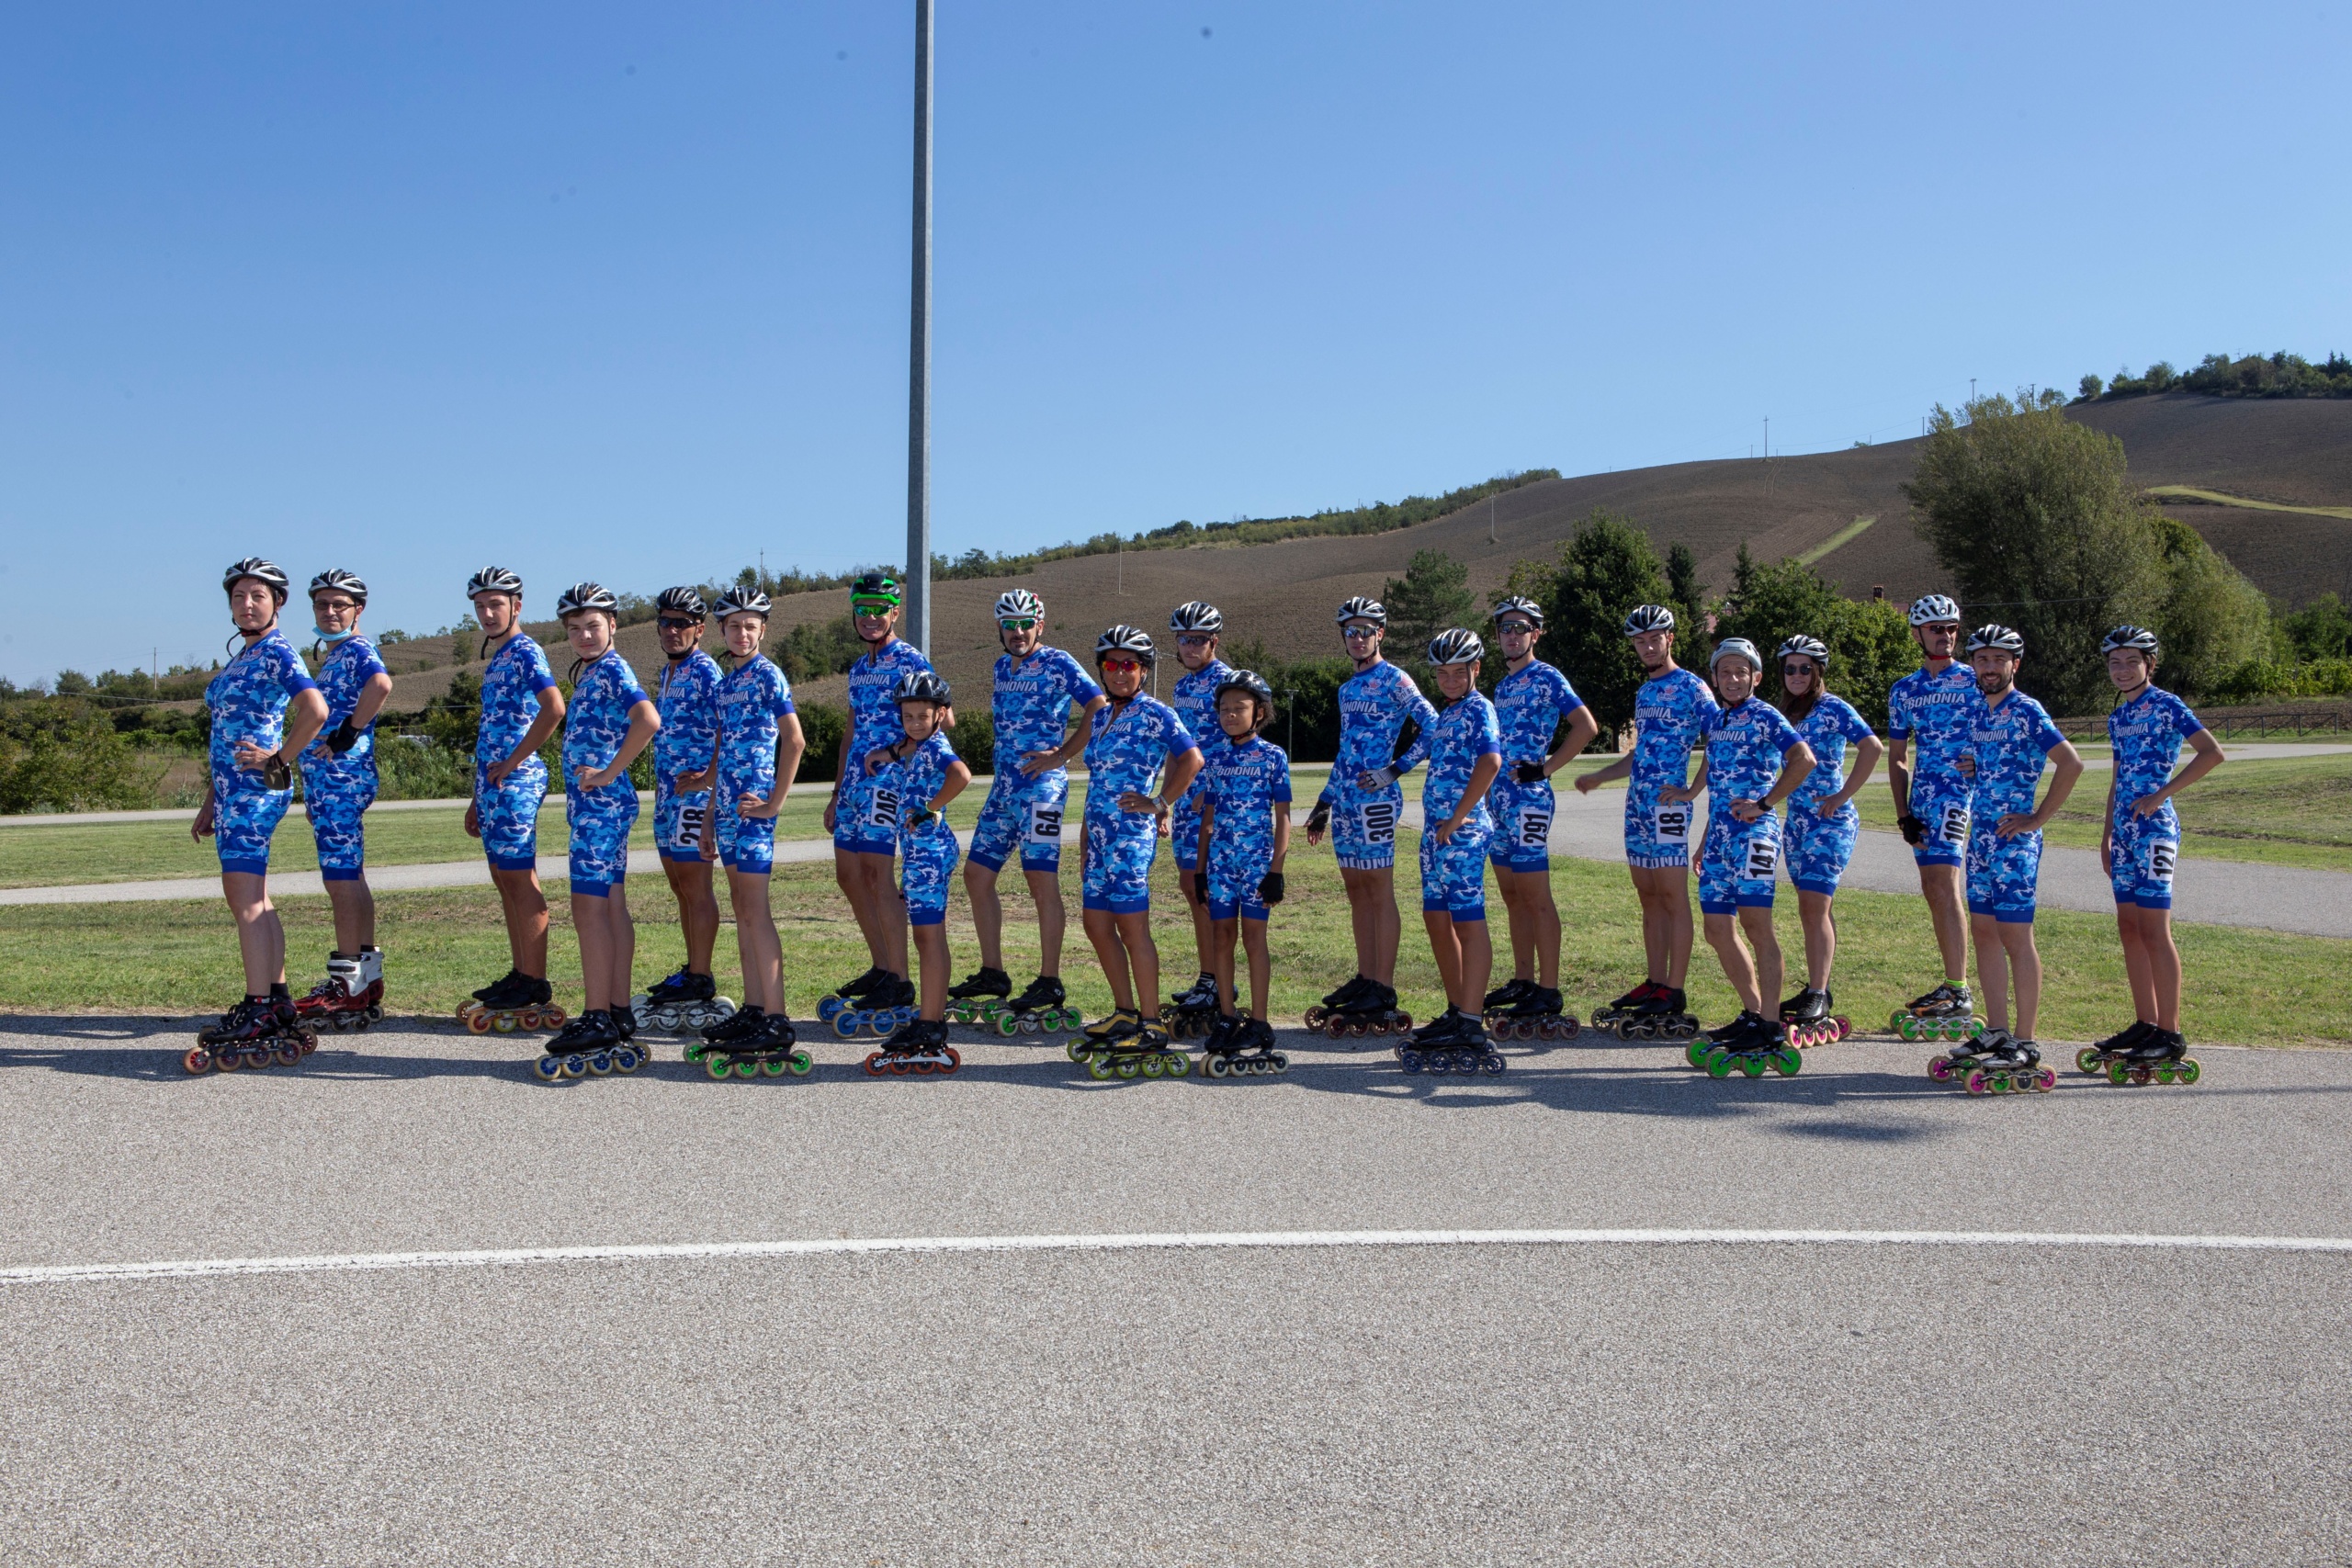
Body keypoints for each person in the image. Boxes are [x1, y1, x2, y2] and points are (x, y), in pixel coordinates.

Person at [188, 558, 329, 1068]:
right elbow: (224, 737)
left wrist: (279, 759)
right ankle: (277, 998)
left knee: (244, 898)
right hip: (232, 792)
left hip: (255, 789)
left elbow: (316, 710)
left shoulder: (276, 652)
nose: (247, 604)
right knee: (258, 899)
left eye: (258, 596)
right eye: (239, 596)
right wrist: (211, 802)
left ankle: (257, 1008)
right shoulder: (244, 656)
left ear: (278, 602)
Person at [1931, 625, 2084, 1086]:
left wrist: (2037, 819)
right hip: (1980, 838)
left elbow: (2071, 763)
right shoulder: (1978, 712)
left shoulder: (2026, 710)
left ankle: (2025, 1040)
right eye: (1982, 660)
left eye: (1999, 660)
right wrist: (1977, 769)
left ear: (2015, 665)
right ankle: (1996, 1032)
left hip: (2015, 843)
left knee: (2017, 938)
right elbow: (1990, 766)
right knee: (1984, 931)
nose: (1990, 667)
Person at [951, 587, 1103, 1031]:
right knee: (976, 875)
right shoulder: (1001, 665)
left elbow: (1098, 705)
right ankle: (994, 973)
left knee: (1041, 882)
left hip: (1043, 790)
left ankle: (1049, 979)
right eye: (1009, 625)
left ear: (1040, 624)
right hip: (1003, 790)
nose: (1018, 632)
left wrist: (1064, 754)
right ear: (999, 627)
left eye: (1025, 624)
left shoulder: (1058, 661)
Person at [2086, 624, 2225, 1082]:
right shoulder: (2117, 716)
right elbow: (2117, 777)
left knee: (2154, 929)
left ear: (2150, 663)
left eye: (2131, 661)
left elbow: (2211, 753)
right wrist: (2107, 833)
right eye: (2114, 662)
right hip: (2124, 834)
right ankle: (2146, 1024)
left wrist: (2162, 794)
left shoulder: (2166, 704)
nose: (2122, 670)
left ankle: (2171, 1032)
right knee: (2129, 927)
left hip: (2156, 832)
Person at [1670, 638, 1815, 1072]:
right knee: (1716, 929)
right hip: (1718, 841)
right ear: (1714, 678)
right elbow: (1716, 773)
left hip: (1756, 837)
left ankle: (1771, 1025)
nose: (1732, 679)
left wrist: (1766, 804)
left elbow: (1802, 759)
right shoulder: (1715, 722)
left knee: (1757, 927)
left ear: (1756, 677)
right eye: (1724, 672)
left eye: (1741, 672)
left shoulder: (1766, 715)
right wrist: (1703, 837)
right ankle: (1754, 1013)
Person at [535, 583, 661, 1078]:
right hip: (603, 809)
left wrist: (608, 772)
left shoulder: (610, 670)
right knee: (609, 907)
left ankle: (596, 1017)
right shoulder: (595, 672)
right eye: (574, 628)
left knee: (589, 911)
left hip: (600, 809)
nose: (584, 635)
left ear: (613, 626)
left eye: (593, 625)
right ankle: (615, 1008)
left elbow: (648, 720)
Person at [1574, 604, 1715, 1038]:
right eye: (1639, 641)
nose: (1647, 646)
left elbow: (1721, 740)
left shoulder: (1694, 688)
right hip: (1637, 805)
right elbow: (1641, 754)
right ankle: (1655, 982)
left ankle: (1675, 988)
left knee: (1673, 895)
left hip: (1670, 807)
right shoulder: (1644, 693)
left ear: (1670, 639)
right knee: (1648, 894)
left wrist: (1693, 791)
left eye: (1654, 638)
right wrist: (1600, 776)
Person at [1301, 596, 1436, 1034]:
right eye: (1351, 632)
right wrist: (1324, 801)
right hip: (1345, 802)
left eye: (1366, 631)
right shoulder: (1346, 689)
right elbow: (1344, 751)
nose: (1358, 639)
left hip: (1377, 802)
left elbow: (1433, 726)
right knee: (1357, 890)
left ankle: (1385, 985)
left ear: (1381, 633)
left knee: (1379, 889)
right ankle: (1366, 977)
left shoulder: (1395, 679)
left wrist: (1394, 770)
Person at [1075, 625, 1203, 1077]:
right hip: (1099, 835)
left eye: (1129, 664)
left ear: (1144, 670)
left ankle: (1151, 1023)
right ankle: (1124, 1011)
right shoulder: (1098, 715)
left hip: (1130, 835)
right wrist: (1087, 833)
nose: (1120, 672)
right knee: (1095, 923)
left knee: (1131, 928)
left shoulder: (1156, 713)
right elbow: (1097, 779)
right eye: (1111, 664)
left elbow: (1191, 758)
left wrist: (1161, 802)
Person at [688, 588, 808, 1070]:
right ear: (722, 631)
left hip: (756, 812)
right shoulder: (723, 685)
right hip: (728, 815)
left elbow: (794, 739)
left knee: (756, 912)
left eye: (750, 625)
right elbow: (723, 752)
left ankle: (776, 1017)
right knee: (741, 909)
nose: (742, 633)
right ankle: (754, 1007)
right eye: (734, 626)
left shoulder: (767, 674)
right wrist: (709, 821)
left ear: (763, 630)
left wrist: (775, 802)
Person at [1481, 596, 1599, 1035]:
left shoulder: (1546, 676)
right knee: (1512, 897)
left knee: (1536, 896)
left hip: (1529, 799)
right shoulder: (1503, 685)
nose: (1513, 635)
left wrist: (1546, 768)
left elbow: (1586, 726)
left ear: (1536, 633)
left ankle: (1548, 989)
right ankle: (1524, 979)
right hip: (1498, 802)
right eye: (1505, 628)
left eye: (1521, 628)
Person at [460, 566, 567, 1032]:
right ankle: (521, 971)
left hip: (516, 784)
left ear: (516, 606)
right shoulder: (499, 657)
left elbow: (554, 707)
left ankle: (535, 981)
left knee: (521, 880)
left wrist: (516, 760)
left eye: (495, 604)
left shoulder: (526, 651)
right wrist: (475, 796)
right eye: (480, 606)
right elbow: (491, 731)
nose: (487, 613)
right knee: (504, 879)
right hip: (493, 788)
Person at [822, 572, 933, 1019]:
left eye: (879, 610)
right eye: (862, 609)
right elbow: (850, 731)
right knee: (849, 876)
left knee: (878, 877)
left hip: (889, 783)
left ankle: (900, 981)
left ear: (894, 612)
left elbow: (940, 718)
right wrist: (834, 793)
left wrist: (896, 751)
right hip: (852, 785)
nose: (870, 618)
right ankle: (882, 966)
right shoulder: (859, 667)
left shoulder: (909, 659)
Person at [290, 569, 393, 1034]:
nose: (329, 613)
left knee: (340, 879)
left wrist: (349, 732)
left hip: (340, 780)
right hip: (330, 782)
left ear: (358, 610)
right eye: (322, 605)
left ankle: (346, 985)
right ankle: (364, 974)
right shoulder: (336, 654)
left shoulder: (356, 650)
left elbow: (381, 686)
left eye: (339, 605)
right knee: (350, 874)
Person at [1771, 634, 1883, 1045]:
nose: (1796, 675)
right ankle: (1819, 986)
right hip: (1796, 823)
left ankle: (1818, 993)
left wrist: (1842, 794)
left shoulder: (1832, 707)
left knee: (1814, 906)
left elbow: (1872, 747)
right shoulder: (1783, 712)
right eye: (1789, 668)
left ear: (1818, 671)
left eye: (1805, 668)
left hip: (1829, 822)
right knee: (1812, 909)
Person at [1404, 629, 1506, 1068]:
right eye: (1442, 673)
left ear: (1475, 670)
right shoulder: (1448, 713)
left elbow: (1491, 761)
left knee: (1467, 921)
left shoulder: (1480, 709)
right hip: (1435, 834)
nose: (1448, 679)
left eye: (1457, 671)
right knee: (1435, 917)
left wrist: (1461, 815)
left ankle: (1470, 1018)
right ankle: (1456, 1007)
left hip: (1461, 832)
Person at [864, 671, 973, 1076]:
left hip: (928, 851)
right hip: (918, 852)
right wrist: (887, 754)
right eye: (907, 716)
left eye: (922, 716)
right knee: (927, 936)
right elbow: (907, 749)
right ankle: (928, 1017)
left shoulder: (939, 746)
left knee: (929, 938)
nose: (913, 723)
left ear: (941, 714)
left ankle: (929, 1023)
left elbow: (961, 774)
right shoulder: (920, 745)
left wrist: (933, 806)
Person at [1884, 592, 1980, 1033]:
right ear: (1918, 634)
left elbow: (2007, 726)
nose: (1946, 637)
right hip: (1923, 799)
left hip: (1961, 797)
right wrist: (1903, 813)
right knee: (1932, 887)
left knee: (1945, 882)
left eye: (1951, 629)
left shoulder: (1977, 678)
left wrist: (1985, 761)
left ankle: (1960, 989)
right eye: (1936, 629)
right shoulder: (1904, 689)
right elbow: (1898, 756)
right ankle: (1952, 983)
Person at [639, 585, 731, 1033]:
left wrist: (707, 780)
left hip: (694, 797)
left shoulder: (706, 671)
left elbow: (725, 731)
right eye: (666, 622)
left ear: (699, 628)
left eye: (682, 623)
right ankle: (692, 969)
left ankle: (701, 974)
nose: (673, 630)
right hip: (666, 794)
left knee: (696, 886)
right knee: (679, 885)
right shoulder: (668, 673)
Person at [1192, 668, 1293, 1076]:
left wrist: (1277, 869)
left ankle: (1261, 1020)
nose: (1230, 714)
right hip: (1220, 865)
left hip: (1256, 864)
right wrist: (1200, 870)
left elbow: (1284, 816)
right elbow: (1209, 818)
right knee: (1221, 935)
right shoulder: (1214, 758)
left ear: (1260, 712)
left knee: (1254, 938)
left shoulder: (1273, 757)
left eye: (1240, 708)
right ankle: (1229, 1016)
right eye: (1225, 709)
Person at [1164, 601, 1237, 1021]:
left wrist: (1211, 789)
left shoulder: (1230, 682)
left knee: (1211, 891)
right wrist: (1165, 800)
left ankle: (1219, 980)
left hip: (1217, 806)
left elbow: (1244, 740)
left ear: (1214, 641)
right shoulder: (1180, 688)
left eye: (1198, 640)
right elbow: (1178, 749)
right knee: (1192, 888)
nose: (1189, 647)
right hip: (1187, 805)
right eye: (1183, 639)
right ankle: (1208, 975)